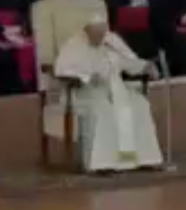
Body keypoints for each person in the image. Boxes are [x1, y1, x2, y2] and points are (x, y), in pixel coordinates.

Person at [49, 14, 163, 173]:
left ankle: (142, 159)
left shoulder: (111, 42)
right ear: (86, 31)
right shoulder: (73, 46)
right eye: (96, 34)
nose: (100, 38)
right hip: (85, 92)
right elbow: (61, 70)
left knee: (140, 105)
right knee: (103, 110)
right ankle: (102, 164)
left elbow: (128, 62)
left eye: (102, 33)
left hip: (117, 89)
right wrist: (87, 77)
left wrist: (145, 66)